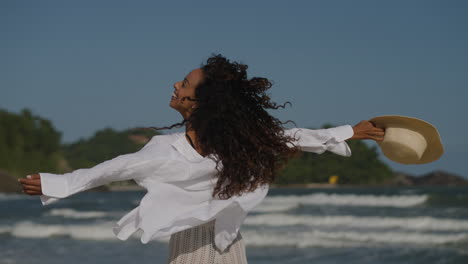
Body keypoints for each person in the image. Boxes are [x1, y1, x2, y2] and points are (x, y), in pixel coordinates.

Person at [18, 54, 385, 263]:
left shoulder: (218, 144)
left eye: (184, 84)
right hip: (209, 248)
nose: (175, 86)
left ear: (200, 101)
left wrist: (350, 131)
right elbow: (117, 167)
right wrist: (59, 183)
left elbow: (295, 136)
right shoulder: (183, 146)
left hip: (213, 249)